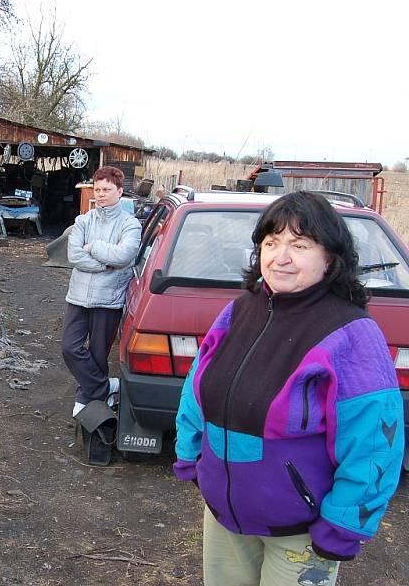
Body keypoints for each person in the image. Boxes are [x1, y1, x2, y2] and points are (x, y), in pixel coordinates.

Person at [173, 191, 404, 586]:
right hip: (225, 516)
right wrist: (191, 455)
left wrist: (343, 525)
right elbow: (198, 388)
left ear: (330, 257)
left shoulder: (350, 332)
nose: (281, 256)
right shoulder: (242, 308)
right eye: (271, 242)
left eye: (299, 245)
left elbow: (373, 441)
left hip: (299, 531)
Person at [62, 166, 142, 418]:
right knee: (70, 347)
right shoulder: (83, 220)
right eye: (97, 189)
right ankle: (105, 388)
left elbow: (124, 255)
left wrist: (93, 246)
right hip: (78, 296)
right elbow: (73, 255)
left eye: (107, 189)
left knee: (98, 354)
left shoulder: (130, 224)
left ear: (120, 191)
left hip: (108, 298)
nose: (101, 194)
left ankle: (89, 400)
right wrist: (106, 263)